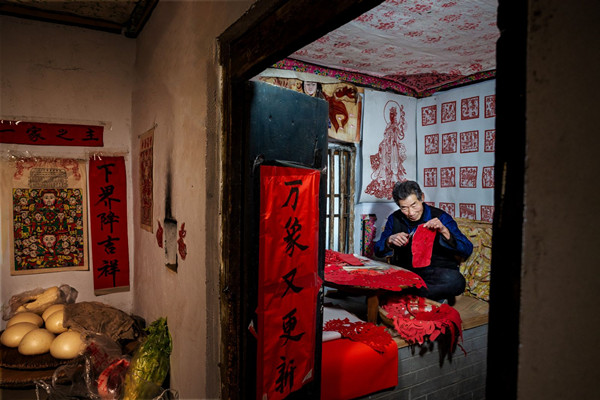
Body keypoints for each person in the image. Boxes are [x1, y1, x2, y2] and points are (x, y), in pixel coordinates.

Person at [374, 180, 473, 304]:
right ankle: (423, 297)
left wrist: (444, 231)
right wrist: (389, 240)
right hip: (406, 272)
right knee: (376, 279)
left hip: (434, 272)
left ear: (422, 198)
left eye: (414, 205)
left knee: (456, 281)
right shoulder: (394, 218)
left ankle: (405, 295)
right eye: (404, 208)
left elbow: (467, 249)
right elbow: (377, 250)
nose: (411, 213)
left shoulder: (441, 217)